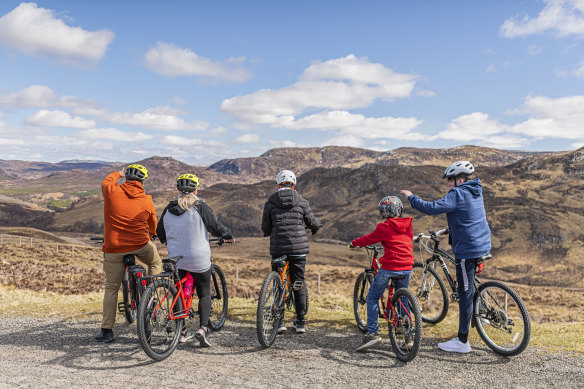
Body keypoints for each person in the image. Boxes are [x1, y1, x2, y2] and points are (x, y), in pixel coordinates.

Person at [400, 160, 491, 354]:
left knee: (465, 292)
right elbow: (468, 215)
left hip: (468, 249)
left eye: (450, 180)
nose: (448, 184)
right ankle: (480, 313)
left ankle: (462, 341)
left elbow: (432, 207)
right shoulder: (476, 191)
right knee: (470, 283)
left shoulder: (456, 193)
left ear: (459, 179)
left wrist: (411, 198)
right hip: (481, 242)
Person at [156, 173, 234, 347]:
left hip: (176, 258)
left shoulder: (169, 208)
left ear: (178, 189)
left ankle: (181, 331)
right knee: (205, 292)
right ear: (196, 189)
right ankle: (202, 329)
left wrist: (172, 239)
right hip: (198, 258)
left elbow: (160, 232)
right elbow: (216, 226)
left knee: (178, 291)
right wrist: (227, 234)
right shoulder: (200, 206)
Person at [97, 164, 162, 343]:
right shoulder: (147, 200)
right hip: (140, 246)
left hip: (114, 248)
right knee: (155, 262)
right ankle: (151, 294)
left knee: (111, 288)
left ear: (126, 178)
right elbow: (152, 224)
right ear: (143, 181)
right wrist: (153, 234)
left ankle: (107, 331)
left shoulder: (111, 191)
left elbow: (106, 181)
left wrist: (118, 172)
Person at [349, 195, 414, 352]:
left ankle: (372, 333)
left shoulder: (383, 227)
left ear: (384, 212)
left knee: (372, 297)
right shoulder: (408, 225)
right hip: (407, 267)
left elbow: (369, 239)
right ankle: (407, 336)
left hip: (390, 267)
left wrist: (354, 243)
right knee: (403, 300)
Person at [261, 169, 322, 334]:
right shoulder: (302, 201)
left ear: (278, 184)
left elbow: (265, 227)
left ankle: (279, 321)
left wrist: (269, 231)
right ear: (293, 184)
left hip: (278, 248)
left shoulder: (270, 202)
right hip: (298, 249)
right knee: (298, 283)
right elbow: (311, 220)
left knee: (277, 284)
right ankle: (300, 322)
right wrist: (316, 226)